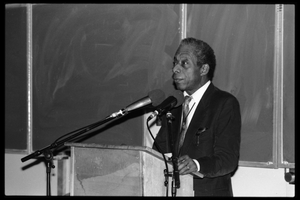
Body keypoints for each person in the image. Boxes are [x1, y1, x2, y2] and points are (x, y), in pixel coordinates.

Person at [153, 37, 241, 196]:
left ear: (203, 69)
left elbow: (228, 160)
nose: (175, 69)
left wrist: (197, 164)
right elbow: (158, 151)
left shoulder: (224, 103)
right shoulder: (173, 104)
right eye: (175, 63)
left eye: (184, 63)